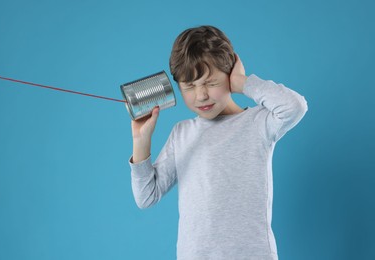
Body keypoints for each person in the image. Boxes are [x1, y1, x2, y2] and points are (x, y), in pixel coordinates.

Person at [128, 25, 308, 260]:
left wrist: (243, 82)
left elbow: (295, 107)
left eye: (211, 83)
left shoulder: (257, 123)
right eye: (189, 86)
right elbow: (146, 196)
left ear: (230, 74)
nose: (201, 95)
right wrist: (141, 141)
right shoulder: (182, 133)